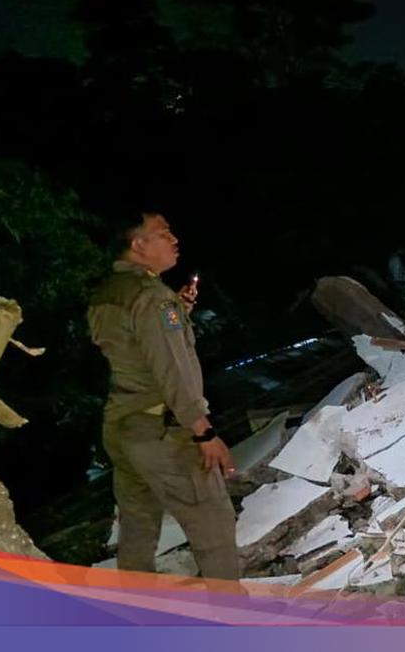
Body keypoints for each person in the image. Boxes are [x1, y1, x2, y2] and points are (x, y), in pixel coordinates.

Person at [88, 211, 239, 580]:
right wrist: (203, 432)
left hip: (124, 427)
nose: (174, 240)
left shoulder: (109, 293)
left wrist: (180, 311)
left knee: (138, 525)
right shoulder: (153, 298)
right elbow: (174, 370)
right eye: (163, 233)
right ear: (139, 245)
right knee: (212, 519)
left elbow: (132, 349)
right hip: (162, 431)